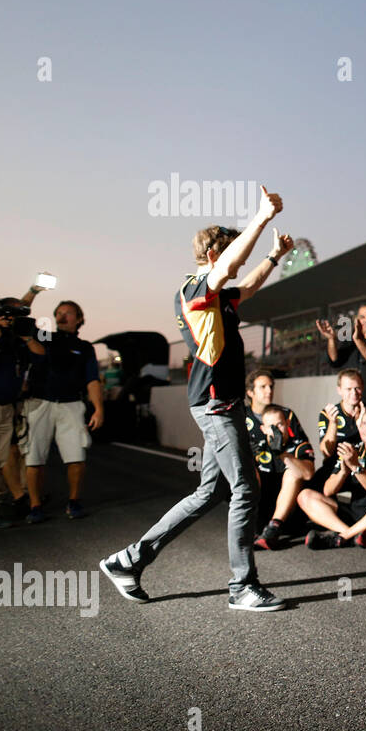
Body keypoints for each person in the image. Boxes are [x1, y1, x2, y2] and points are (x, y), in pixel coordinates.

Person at [99, 187, 290, 611]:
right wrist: (261, 219)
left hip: (223, 404)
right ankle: (242, 587)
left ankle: (128, 560)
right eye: (227, 253)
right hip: (217, 405)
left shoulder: (220, 296)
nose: (235, 260)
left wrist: (274, 257)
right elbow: (231, 266)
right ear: (210, 255)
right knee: (245, 489)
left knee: (209, 493)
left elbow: (250, 285)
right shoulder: (195, 289)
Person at [21, 300, 104, 522]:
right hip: (41, 403)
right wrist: (34, 292)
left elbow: (92, 380)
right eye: (58, 313)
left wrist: (98, 409)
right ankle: (35, 506)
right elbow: (21, 321)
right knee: (34, 457)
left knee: (77, 455)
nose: (62, 316)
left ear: (79, 319)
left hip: (72, 404)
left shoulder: (85, 347)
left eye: (68, 313)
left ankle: (74, 502)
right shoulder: (49, 338)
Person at [299, 405, 366, 549]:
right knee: (305, 496)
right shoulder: (352, 450)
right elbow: (328, 490)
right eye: (364, 424)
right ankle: (350, 534)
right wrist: (343, 472)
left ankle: (344, 536)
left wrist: (356, 468)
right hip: (355, 513)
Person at [243, 369, 314, 550]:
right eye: (263, 387)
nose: (269, 391)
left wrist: (282, 452)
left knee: (294, 472)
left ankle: (274, 527)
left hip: (284, 484)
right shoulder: (240, 417)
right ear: (250, 392)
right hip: (256, 486)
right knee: (246, 469)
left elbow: (307, 467)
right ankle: (248, 525)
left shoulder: (286, 415)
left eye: (271, 386)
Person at [0, 297, 43, 526]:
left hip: (7, 406)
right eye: (6, 314)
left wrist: (25, 335)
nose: (10, 318)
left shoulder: (13, 340)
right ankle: (12, 499)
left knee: (5, 456)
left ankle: (16, 498)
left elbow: (40, 355)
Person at [316, 303, 366, 410]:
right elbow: (335, 361)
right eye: (362, 317)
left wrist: (358, 340)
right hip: (352, 403)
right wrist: (331, 339)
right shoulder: (349, 339)